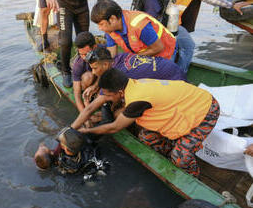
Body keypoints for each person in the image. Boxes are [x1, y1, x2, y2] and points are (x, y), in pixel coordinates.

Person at [77, 68, 220, 177]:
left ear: (119, 92)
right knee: (147, 137)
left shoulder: (137, 99)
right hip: (186, 105)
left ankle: (193, 176)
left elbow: (114, 127)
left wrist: (87, 132)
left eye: (108, 95)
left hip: (206, 110)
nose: (106, 99)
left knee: (181, 158)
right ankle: (172, 151)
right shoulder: (133, 84)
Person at [70, 46, 186, 129]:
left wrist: (72, 128)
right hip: (171, 68)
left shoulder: (118, 75)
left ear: (105, 64)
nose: (94, 73)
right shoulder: (120, 57)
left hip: (175, 85)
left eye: (95, 68)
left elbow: (91, 108)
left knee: (118, 114)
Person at [132, 0, 249, 73]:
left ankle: (180, 74)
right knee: (170, 51)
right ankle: (166, 78)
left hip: (175, 24)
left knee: (188, 46)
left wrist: (231, 5)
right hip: (159, 26)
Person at [47, 0, 104, 88]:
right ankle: (66, 71)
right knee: (66, 41)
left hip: (82, 7)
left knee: (84, 41)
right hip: (64, 6)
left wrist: (101, 4)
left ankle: (83, 66)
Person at [90, 0, 177, 60]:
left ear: (112, 19)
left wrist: (132, 58)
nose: (100, 28)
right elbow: (112, 54)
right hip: (146, 53)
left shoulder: (139, 25)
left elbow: (159, 48)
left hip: (165, 52)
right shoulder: (110, 29)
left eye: (101, 24)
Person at [34, 127, 109, 178]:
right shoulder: (88, 148)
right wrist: (88, 130)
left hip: (76, 173)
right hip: (90, 163)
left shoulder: (59, 158)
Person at [72, 32, 100, 112]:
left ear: (94, 47)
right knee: (88, 76)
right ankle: (87, 96)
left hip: (100, 81)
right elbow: (76, 93)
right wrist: (83, 114)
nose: (84, 58)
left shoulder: (103, 53)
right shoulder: (78, 64)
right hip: (87, 82)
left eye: (86, 54)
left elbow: (107, 73)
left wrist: (95, 86)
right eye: (81, 54)